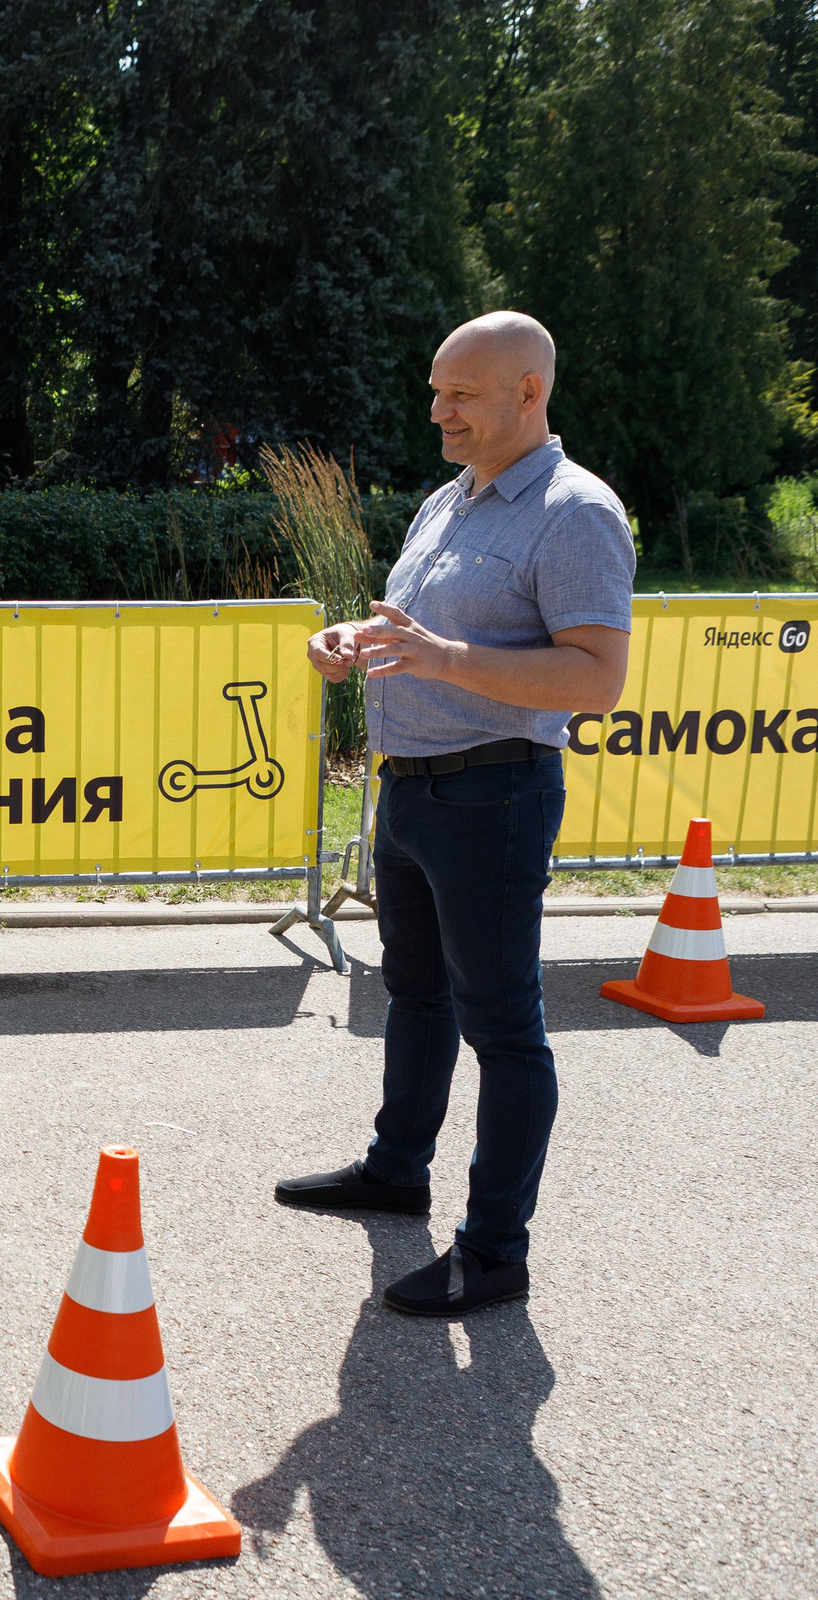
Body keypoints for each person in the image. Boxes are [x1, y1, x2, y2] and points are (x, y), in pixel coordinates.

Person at [277, 310, 634, 1317]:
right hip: (412, 785)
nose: (438, 411)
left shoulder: (573, 511)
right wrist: (353, 638)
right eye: (435, 391)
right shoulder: (451, 500)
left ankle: (494, 1250)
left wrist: (443, 660)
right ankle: (397, 1169)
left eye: (461, 394)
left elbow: (596, 679)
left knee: (503, 1027)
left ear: (529, 393)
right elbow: (414, 629)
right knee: (415, 994)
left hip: (494, 791)